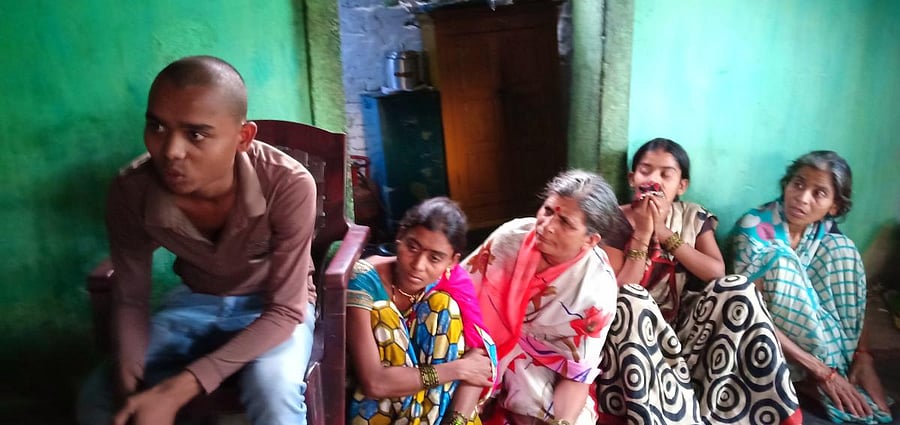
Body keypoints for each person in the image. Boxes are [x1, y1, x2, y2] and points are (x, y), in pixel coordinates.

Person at [76, 56, 318, 425]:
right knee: (99, 396)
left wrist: (177, 389)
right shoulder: (131, 189)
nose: (170, 151)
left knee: (275, 391)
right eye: (157, 126)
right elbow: (130, 298)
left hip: (273, 307)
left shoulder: (288, 184)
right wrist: (131, 390)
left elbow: (286, 311)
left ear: (243, 137)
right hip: (193, 302)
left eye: (196, 134)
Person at [598, 138, 802, 424]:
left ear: (681, 185)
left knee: (738, 288)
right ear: (632, 179)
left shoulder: (693, 215)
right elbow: (617, 293)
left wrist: (665, 233)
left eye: (666, 174)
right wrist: (644, 233)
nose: (654, 180)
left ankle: (758, 410)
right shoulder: (614, 221)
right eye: (645, 171)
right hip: (634, 342)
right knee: (630, 298)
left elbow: (716, 272)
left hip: (688, 334)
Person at [732, 150, 892, 424]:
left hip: (823, 352)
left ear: (834, 207)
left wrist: (864, 358)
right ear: (786, 185)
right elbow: (748, 313)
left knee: (844, 251)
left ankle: (838, 373)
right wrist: (821, 371)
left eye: (819, 193)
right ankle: (813, 378)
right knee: (779, 258)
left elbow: (853, 299)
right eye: (798, 184)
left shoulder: (825, 232)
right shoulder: (756, 228)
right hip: (764, 344)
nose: (802, 197)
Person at [464, 169, 630, 425]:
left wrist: (562, 422)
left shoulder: (596, 290)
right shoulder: (510, 239)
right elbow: (458, 291)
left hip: (539, 367)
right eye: (548, 210)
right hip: (478, 345)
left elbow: (575, 376)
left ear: (590, 240)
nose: (547, 226)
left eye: (565, 223)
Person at [346, 197, 496, 425]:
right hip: (378, 411)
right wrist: (456, 369)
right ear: (400, 236)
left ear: (453, 261)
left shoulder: (452, 284)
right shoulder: (365, 280)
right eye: (412, 247)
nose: (418, 265)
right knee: (384, 315)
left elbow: (479, 363)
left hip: (437, 414)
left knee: (443, 305)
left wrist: (455, 422)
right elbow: (374, 382)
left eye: (434, 258)